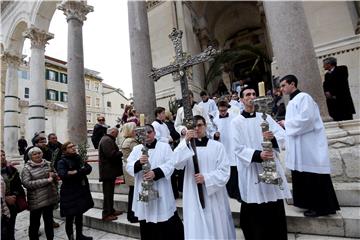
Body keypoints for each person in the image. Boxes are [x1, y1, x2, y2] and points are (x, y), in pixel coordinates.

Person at [231, 86, 292, 240]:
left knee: (273, 201)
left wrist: (272, 138)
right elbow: (237, 147)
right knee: (254, 203)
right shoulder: (236, 122)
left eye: (253, 94)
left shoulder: (265, 117)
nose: (251, 96)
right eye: (247, 94)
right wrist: (258, 155)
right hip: (252, 169)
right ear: (242, 99)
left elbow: (282, 135)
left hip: (269, 166)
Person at [278, 74, 340, 217]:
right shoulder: (294, 100)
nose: (282, 89)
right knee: (304, 175)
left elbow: (307, 120)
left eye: (283, 85)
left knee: (313, 176)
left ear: (292, 84)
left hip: (308, 146)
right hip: (301, 146)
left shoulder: (303, 98)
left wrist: (286, 124)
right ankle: (309, 204)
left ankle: (322, 208)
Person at [174, 115, 236, 239]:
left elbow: (224, 171)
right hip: (194, 193)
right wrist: (185, 141)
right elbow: (176, 163)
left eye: (200, 125)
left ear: (205, 126)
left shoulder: (217, 146)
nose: (197, 128)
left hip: (214, 194)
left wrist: (206, 178)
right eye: (193, 126)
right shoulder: (187, 147)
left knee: (216, 222)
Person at [126, 124, 184, 240]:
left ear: (154, 133)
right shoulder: (137, 149)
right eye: (144, 132)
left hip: (161, 189)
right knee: (146, 221)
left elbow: (170, 164)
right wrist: (138, 163)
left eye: (149, 132)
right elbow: (129, 165)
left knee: (165, 221)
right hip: (144, 190)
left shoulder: (164, 147)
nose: (147, 135)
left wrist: (155, 173)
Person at [57, 141, 94, 240]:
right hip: (69, 192)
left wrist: (76, 171)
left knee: (79, 214)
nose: (73, 148)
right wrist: (79, 172)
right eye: (70, 147)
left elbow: (89, 169)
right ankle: (71, 237)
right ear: (65, 150)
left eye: (73, 146)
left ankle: (79, 235)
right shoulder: (62, 161)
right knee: (69, 217)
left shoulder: (79, 158)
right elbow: (63, 175)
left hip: (80, 190)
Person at [21, 147, 59, 240]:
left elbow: (55, 176)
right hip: (36, 200)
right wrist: (47, 180)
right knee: (35, 223)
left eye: (39, 153)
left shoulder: (49, 164)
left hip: (49, 197)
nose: (38, 155)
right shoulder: (27, 168)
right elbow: (27, 183)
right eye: (34, 154)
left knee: (49, 222)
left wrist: (54, 175)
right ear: (30, 156)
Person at [212, 99, 241, 201]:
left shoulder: (234, 118)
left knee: (235, 171)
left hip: (233, 147)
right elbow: (211, 132)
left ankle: (237, 193)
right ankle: (229, 192)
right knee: (226, 170)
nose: (223, 113)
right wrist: (215, 135)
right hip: (223, 147)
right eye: (221, 111)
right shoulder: (215, 120)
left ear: (227, 109)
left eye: (224, 110)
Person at [98, 127, 123, 221]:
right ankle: (106, 214)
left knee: (109, 193)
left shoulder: (107, 139)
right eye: (116, 133)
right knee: (108, 193)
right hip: (107, 172)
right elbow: (111, 155)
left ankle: (111, 210)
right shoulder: (107, 140)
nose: (117, 135)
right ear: (112, 132)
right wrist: (121, 153)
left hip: (109, 171)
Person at [1, 149, 26, 240]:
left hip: (11, 203)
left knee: (10, 228)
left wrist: (14, 195)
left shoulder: (11, 170)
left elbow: (18, 185)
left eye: (3, 155)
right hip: (1, 204)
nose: (2, 157)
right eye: (0, 155)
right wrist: (4, 198)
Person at [120, 122, 139, 223]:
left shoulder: (126, 140)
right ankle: (133, 215)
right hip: (132, 169)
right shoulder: (131, 142)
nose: (136, 131)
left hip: (128, 168)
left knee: (132, 192)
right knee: (134, 194)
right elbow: (140, 153)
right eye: (135, 129)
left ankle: (132, 215)